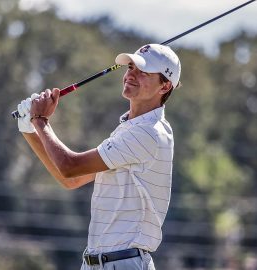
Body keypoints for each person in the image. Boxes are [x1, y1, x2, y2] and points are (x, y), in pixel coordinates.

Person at [16, 44, 181, 270]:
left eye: (143, 72)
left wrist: (40, 121)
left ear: (165, 86)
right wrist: (30, 129)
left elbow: (69, 166)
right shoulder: (129, 129)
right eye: (130, 67)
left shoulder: (148, 132)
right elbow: (71, 180)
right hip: (97, 263)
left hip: (123, 264)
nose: (131, 75)